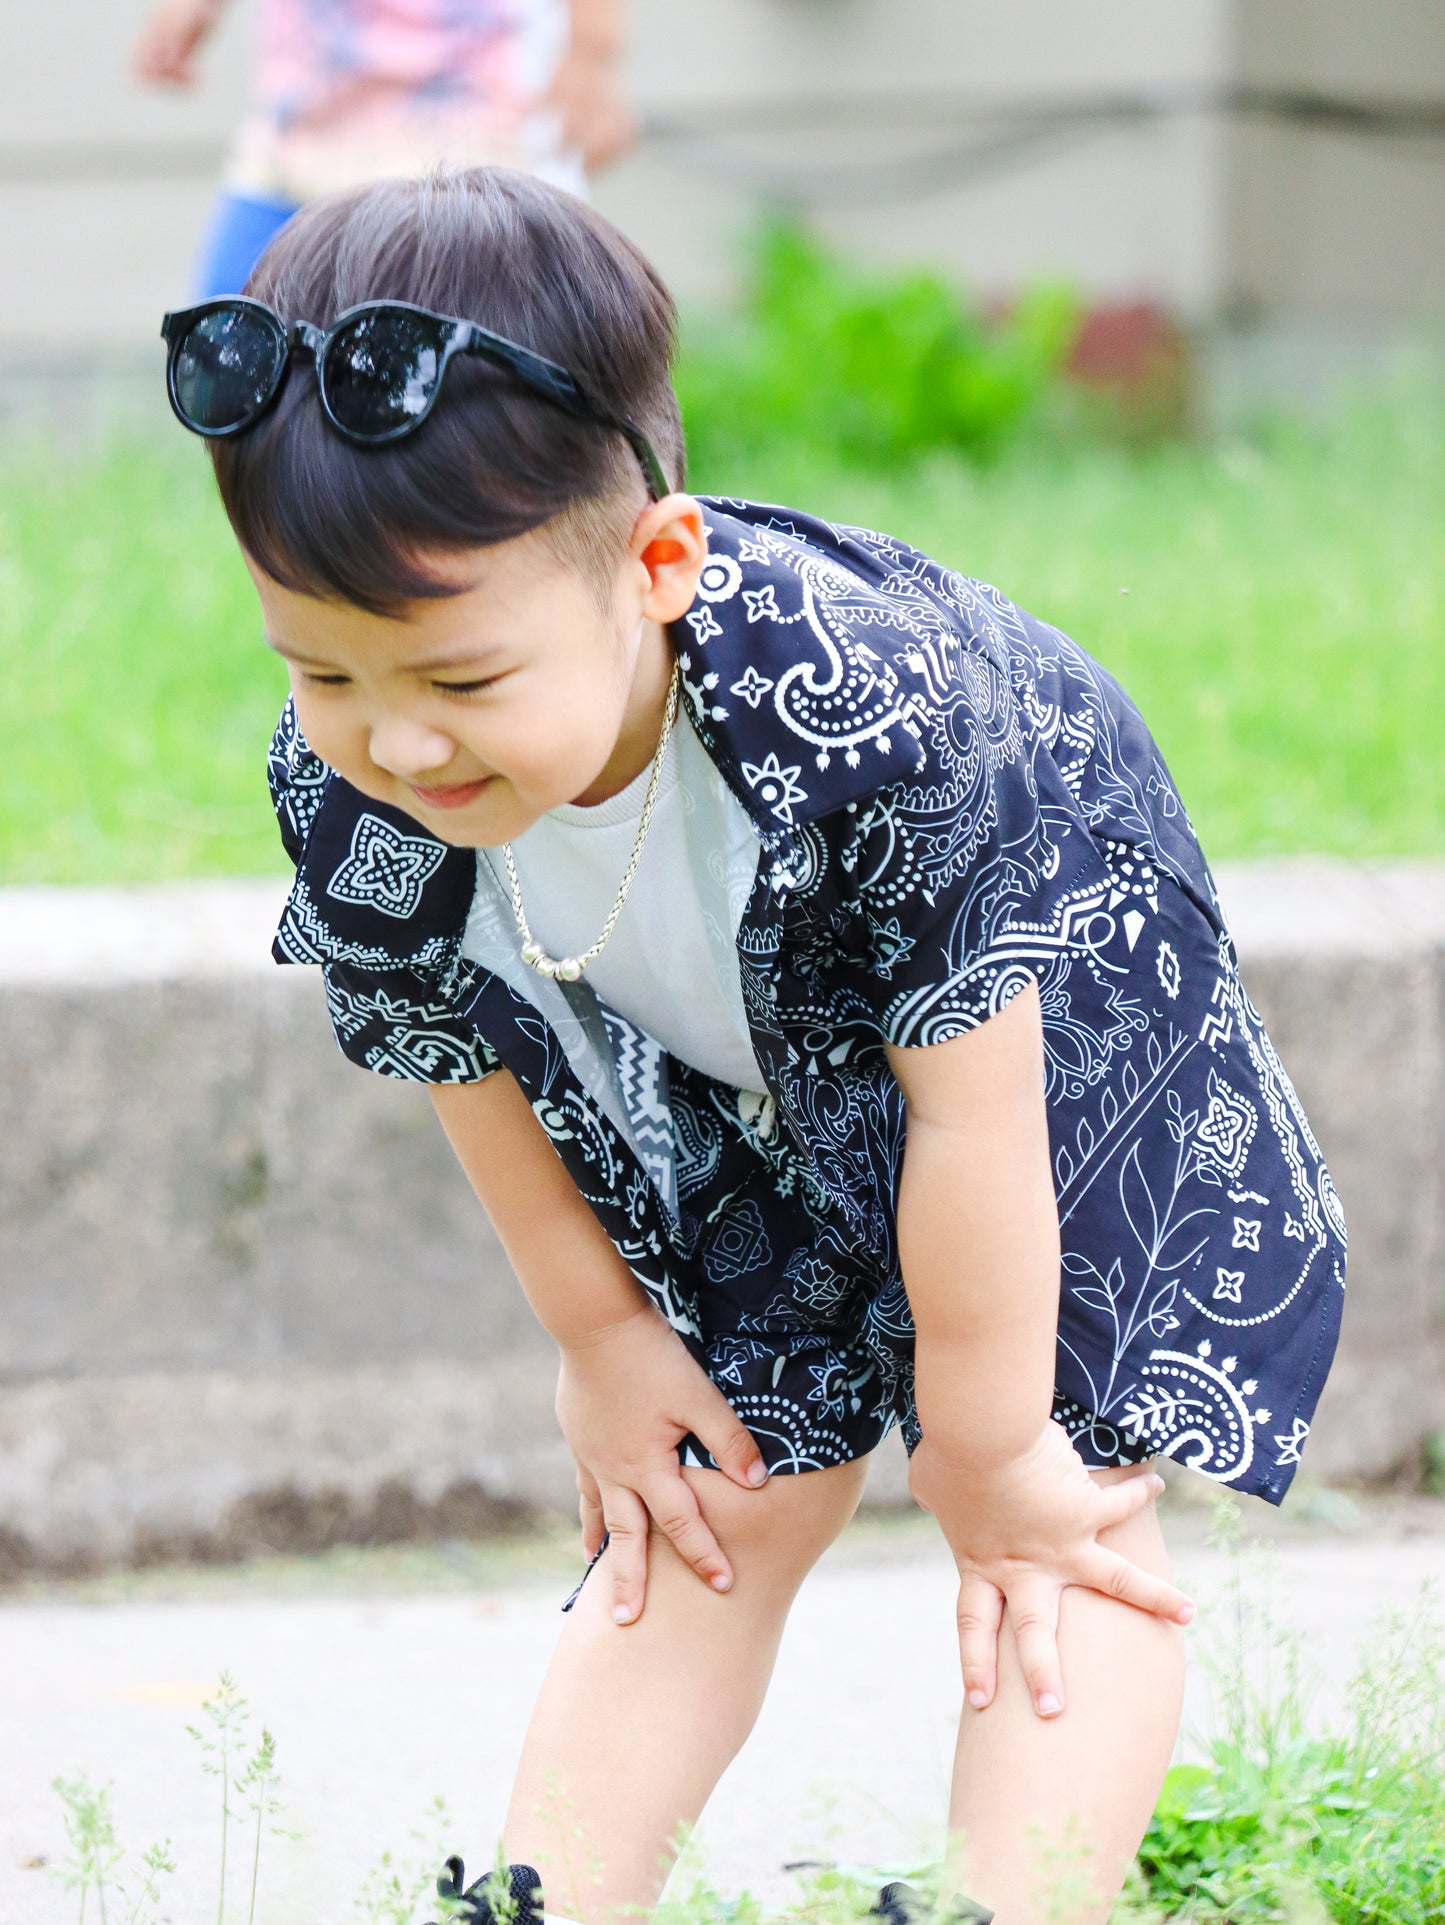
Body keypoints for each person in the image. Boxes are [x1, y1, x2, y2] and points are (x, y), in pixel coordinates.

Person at [157, 168, 1346, 1925]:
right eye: (322, 672)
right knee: (708, 1476)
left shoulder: (872, 718)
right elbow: (451, 1048)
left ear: (656, 567)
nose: (394, 740)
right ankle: (549, 1899)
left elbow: (969, 1114)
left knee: (1051, 1501)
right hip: (716, 1060)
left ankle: (1008, 1903)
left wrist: (990, 1444)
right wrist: (604, 1338)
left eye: (463, 682)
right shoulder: (350, 783)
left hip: (1036, 1027)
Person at [133, 0, 632, 296]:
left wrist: (591, 56)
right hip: (305, 131)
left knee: (489, 370)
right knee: (229, 338)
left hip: (470, 140)